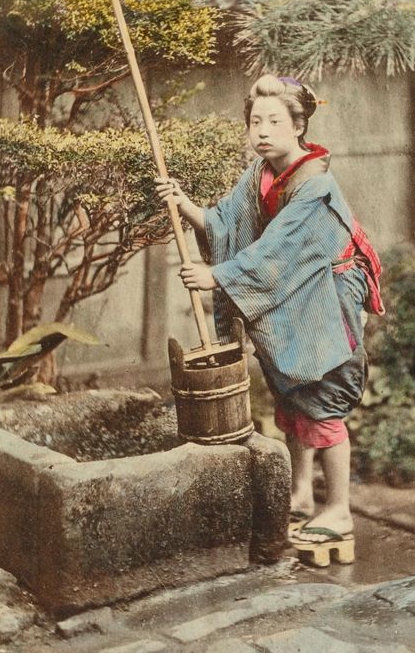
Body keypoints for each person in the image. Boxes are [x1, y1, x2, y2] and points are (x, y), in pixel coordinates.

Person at [155, 73, 384, 565]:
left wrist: (216, 276)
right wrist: (185, 205)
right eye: (255, 121)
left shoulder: (316, 187)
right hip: (292, 293)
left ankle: (340, 510)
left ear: (299, 125)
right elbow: (225, 222)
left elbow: (280, 252)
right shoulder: (258, 173)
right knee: (291, 394)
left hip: (327, 294)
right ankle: (301, 496)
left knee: (323, 398)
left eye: (275, 121)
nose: (262, 130)